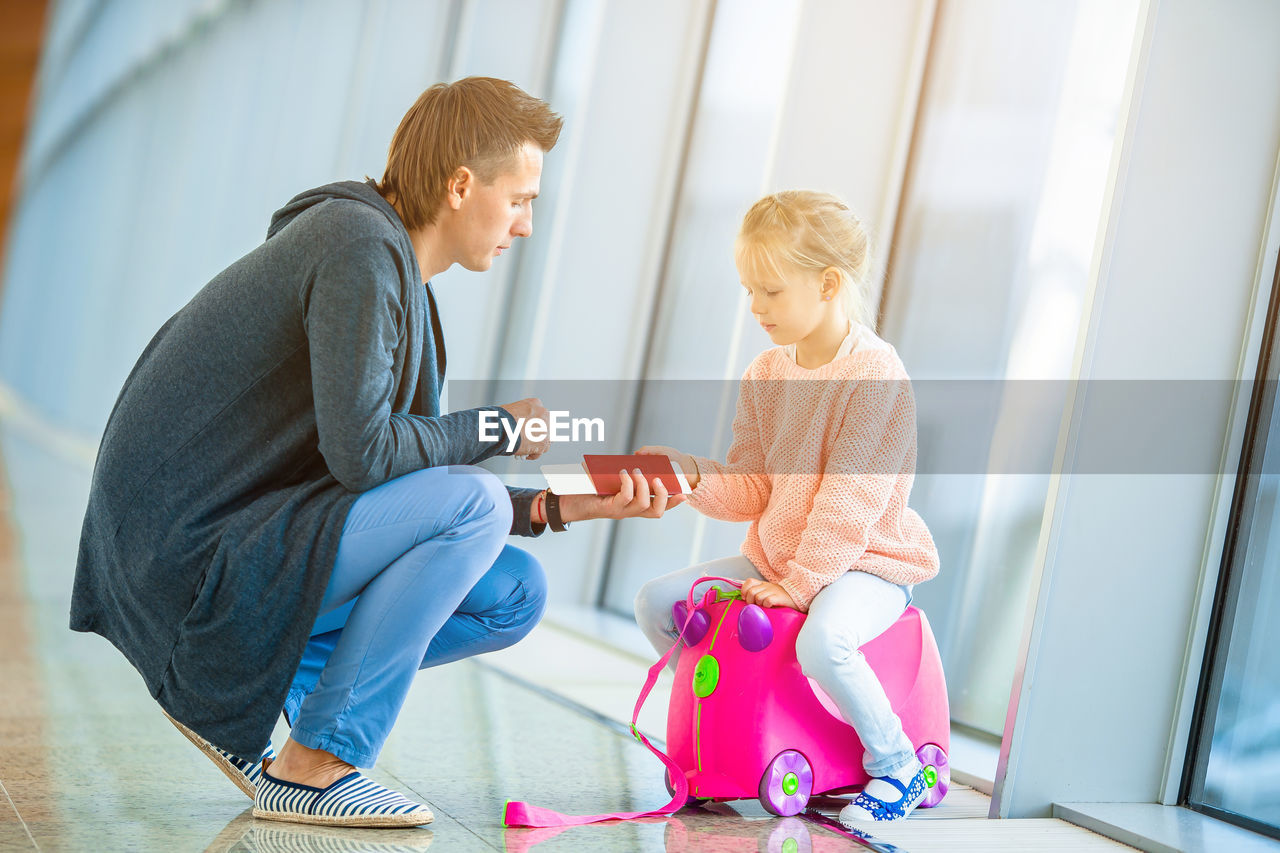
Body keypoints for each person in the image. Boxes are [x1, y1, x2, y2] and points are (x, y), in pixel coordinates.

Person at [70, 77, 683, 829]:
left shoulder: (387, 268)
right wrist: (495, 427)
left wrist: (561, 506)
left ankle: (265, 681)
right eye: (520, 199)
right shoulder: (357, 248)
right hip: (186, 565)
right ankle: (315, 763)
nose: (525, 226)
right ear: (462, 185)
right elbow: (366, 457)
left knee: (516, 591)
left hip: (240, 536)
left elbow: (406, 482)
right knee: (476, 502)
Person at [633, 190, 940, 825]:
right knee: (658, 604)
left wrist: (798, 584)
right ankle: (724, 735)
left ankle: (897, 765)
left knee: (826, 641)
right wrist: (688, 476)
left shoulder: (873, 375)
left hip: (868, 562)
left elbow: (848, 504)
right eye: (749, 289)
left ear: (827, 284)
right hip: (780, 556)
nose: (755, 307)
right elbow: (752, 486)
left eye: (771, 291)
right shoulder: (768, 373)